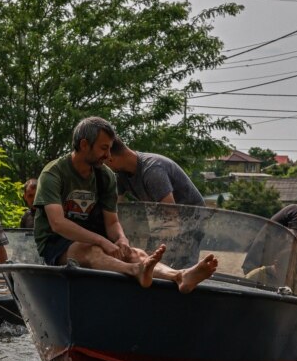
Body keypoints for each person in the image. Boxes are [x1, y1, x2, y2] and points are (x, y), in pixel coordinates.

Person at [33, 116, 218, 293]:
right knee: (92, 251)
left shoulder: (105, 176)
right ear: (83, 145)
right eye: (103, 148)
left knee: (135, 253)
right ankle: (135, 271)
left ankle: (179, 275)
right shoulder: (53, 174)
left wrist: (121, 240)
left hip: (95, 239)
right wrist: (102, 240)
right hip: (58, 244)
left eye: (110, 149)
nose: (107, 155)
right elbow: (57, 223)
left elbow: (112, 222)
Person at [105, 138, 205, 206]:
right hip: (167, 221)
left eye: (102, 161)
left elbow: (170, 214)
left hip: (196, 221)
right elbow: (115, 208)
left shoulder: (153, 171)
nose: (103, 166)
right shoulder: (121, 173)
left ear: (110, 159)